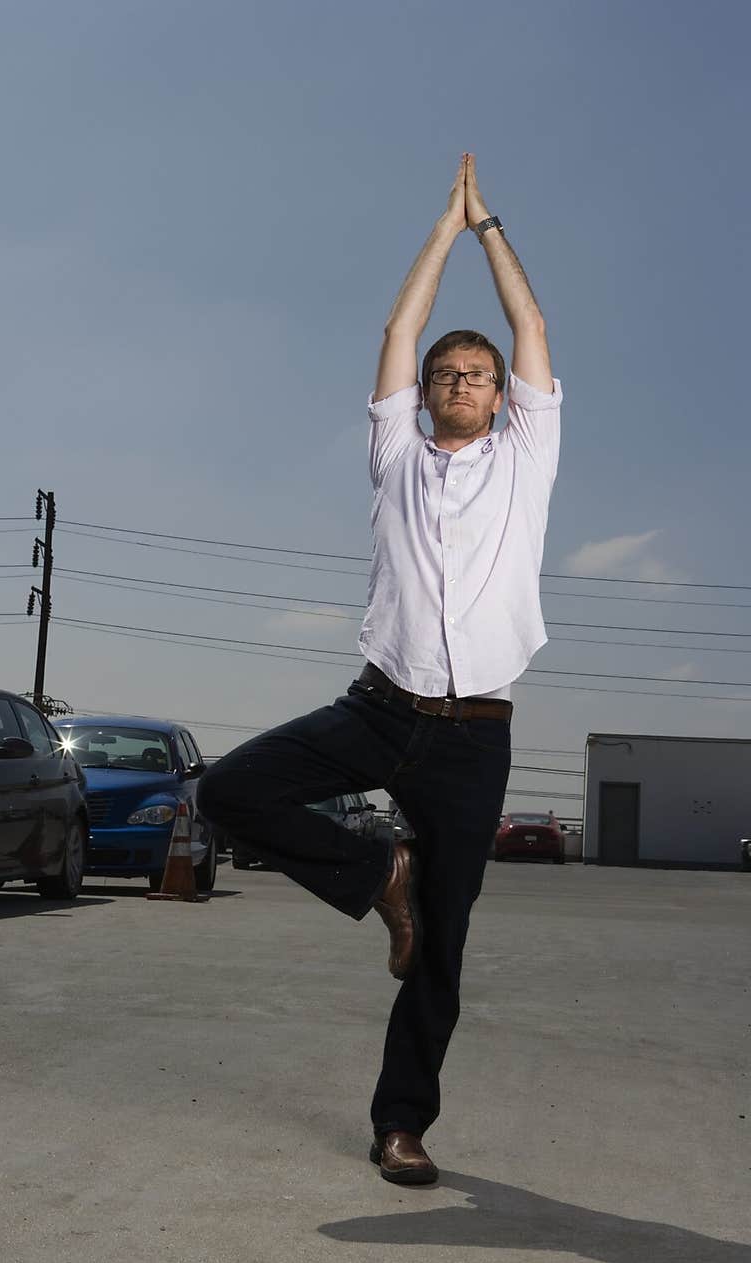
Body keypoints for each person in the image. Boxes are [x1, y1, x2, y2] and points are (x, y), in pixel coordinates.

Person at [197, 153, 562, 1185]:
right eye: (445, 373)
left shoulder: (525, 461)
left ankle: (402, 1124)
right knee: (229, 788)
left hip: (473, 737)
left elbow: (530, 330)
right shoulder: (396, 455)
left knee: (443, 945)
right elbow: (396, 334)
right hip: (379, 707)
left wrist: (486, 228)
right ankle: (375, 877)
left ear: (501, 398)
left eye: (476, 375)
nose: (457, 381)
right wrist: (436, 234)